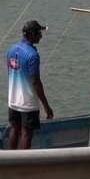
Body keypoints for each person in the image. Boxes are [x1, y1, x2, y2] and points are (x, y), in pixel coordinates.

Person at [5, 20, 54, 149]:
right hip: (27, 103)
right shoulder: (32, 55)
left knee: (14, 128)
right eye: (38, 33)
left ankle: (10, 159)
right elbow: (36, 82)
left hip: (12, 100)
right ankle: (22, 164)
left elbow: (10, 72)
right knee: (26, 132)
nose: (41, 36)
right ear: (31, 34)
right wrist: (46, 106)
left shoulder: (11, 49)